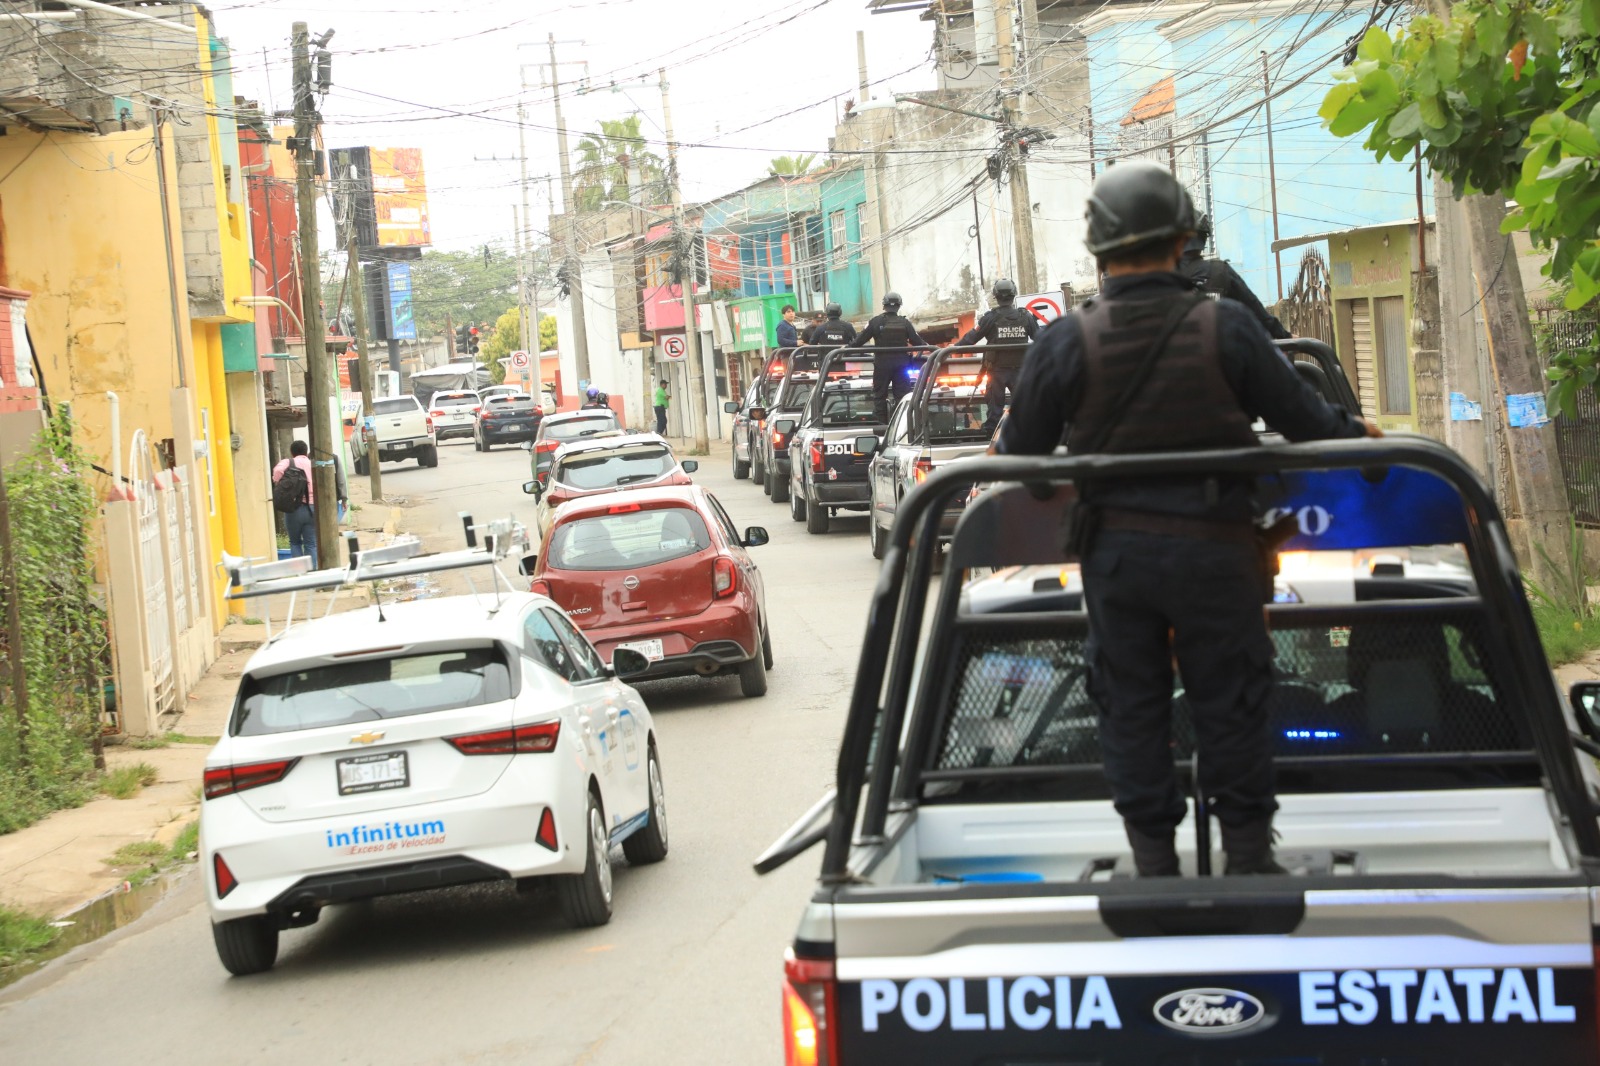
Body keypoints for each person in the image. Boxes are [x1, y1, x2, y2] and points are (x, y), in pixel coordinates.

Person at [994, 160, 1380, 879]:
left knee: (1131, 702)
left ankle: (1151, 864)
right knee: (1230, 699)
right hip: (1219, 554)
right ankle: (1246, 857)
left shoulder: (1066, 343)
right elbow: (1306, 422)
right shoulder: (1225, 327)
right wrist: (1361, 434)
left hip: (1117, 562)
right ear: (1182, 241)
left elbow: (1020, 458)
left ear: (1101, 254)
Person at [1178, 214, 1291, 339]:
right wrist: (1285, 336)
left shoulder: (1161, 279)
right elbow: (1255, 308)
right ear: (1204, 238)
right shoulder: (1219, 271)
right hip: (1221, 354)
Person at [957, 278, 1039, 434]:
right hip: (1021, 372)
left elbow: (971, 338)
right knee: (1024, 409)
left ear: (995, 295)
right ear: (1014, 294)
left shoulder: (990, 318)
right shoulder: (1026, 317)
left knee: (995, 411)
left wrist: (950, 350)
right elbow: (1041, 338)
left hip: (997, 372)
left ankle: (991, 438)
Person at [272, 440, 345, 568]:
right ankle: (311, 572)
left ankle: (299, 572)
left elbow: (277, 471)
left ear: (292, 452)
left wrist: (279, 482)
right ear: (306, 452)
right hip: (313, 508)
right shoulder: (315, 464)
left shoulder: (288, 462)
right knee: (311, 543)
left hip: (294, 508)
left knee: (294, 542)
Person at [856, 292, 927, 422]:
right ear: (899, 306)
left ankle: (882, 426)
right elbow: (919, 342)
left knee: (879, 396)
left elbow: (858, 341)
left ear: (884, 305)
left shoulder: (875, 322)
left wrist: (845, 349)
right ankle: (903, 425)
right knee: (902, 396)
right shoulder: (905, 323)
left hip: (882, 365)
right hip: (902, 366)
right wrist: (930, 349)